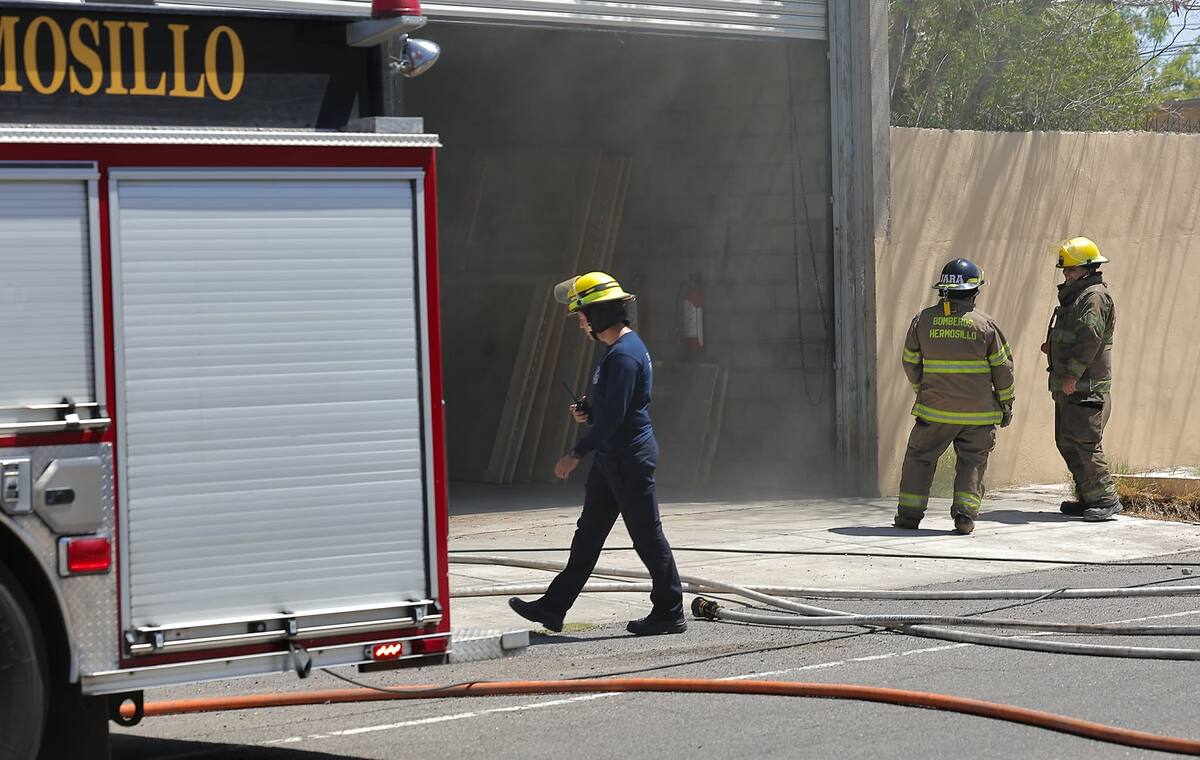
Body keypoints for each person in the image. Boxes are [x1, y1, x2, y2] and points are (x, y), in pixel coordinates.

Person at [508, 272, 686, 636]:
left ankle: (670, 611)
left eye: (582, 315)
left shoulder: (623, 356)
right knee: (588, 535)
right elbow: (613, 406)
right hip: (612, 458)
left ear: (600, 313)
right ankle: (553, 608)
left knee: (647, 537)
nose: (580, 323)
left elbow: (617, 418)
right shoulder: (618, 351)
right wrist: (588, 410)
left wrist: (575, 453)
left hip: (628, 458)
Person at [894, 259, 1015, 535]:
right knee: (973, 461)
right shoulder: (986, 326)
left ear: (944, 290)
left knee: (920, 458)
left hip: (934, 411)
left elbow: (910, 362)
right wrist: (1006, 404)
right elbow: (1004, 369)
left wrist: (923, 390)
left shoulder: (922, 320)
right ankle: (964, 514)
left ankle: (909, 516)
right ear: (974, 292)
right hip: (979, 415)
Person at [1042, 237, 1120, 521]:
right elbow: (1074, 335)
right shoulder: (1078, 295)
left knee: (1085, 443)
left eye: (1071, 270)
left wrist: (1072, 374)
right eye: (1065, 270)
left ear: (1087, 269)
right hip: (1070, 385)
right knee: (1067, 441)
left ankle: (1106, 500)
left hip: (1085, 386)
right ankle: (1089, 497)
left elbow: (1090, 339)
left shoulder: (1093, 296)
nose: (1066, 275)